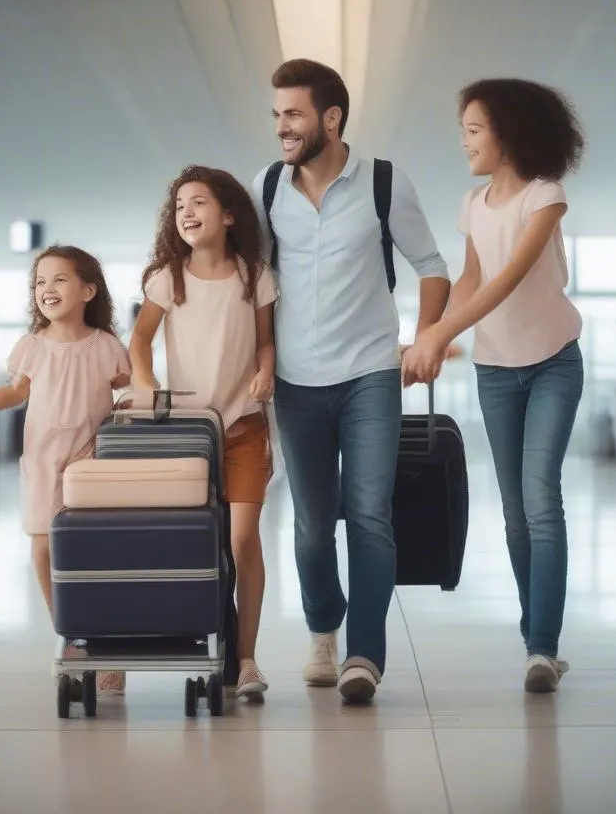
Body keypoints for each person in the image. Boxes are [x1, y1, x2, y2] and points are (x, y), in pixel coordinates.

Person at [252, 58, 450, 705]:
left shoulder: (384, 184)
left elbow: (432, 265)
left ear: (330, 118)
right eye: (277, 113)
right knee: (311, 526)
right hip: (295, 382)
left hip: (370, 372)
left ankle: (364, 653)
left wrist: (426, 338)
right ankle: (322, 630)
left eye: (293, 114)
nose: (282, 126)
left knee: (368, 514)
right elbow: (252, 284)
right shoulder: (266, 189)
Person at [401, 78, 586, 693]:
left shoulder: (545, 196)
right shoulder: (473, 204)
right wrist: (436, 334)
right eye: (464, 132)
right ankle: (535, 633)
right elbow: (473, 277)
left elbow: (508, 277)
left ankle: (542, 646)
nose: (465, 143)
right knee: (512, 514)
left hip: (555, 360)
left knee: (540, 496)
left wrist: (438, 334)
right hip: (496, 370)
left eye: (474, 131)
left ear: (508, 133)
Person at [0, 245, 131, 694]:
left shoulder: (106, 346)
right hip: (44, 463)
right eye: (39, 282)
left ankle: (111, 646)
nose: (47, 289)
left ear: (88, 290)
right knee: (44, 551)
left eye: (59, 279)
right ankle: (73, 636)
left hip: (90, 459)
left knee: (96, 554)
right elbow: (14, 394)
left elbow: (129, 389)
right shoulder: (30, 347)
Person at [128, 165, 278, 701]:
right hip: (186, 432)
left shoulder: (254, 274)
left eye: (199, 203)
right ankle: (148, 648)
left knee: (241, 539)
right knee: (193, 543)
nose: (186, 213)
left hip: (243, 427)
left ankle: (248, 659)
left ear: (230, 214)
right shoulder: (167, 277)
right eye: (180, 206)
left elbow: (265, 341)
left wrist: (266, 368)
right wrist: (147, 386)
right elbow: (140, 341)